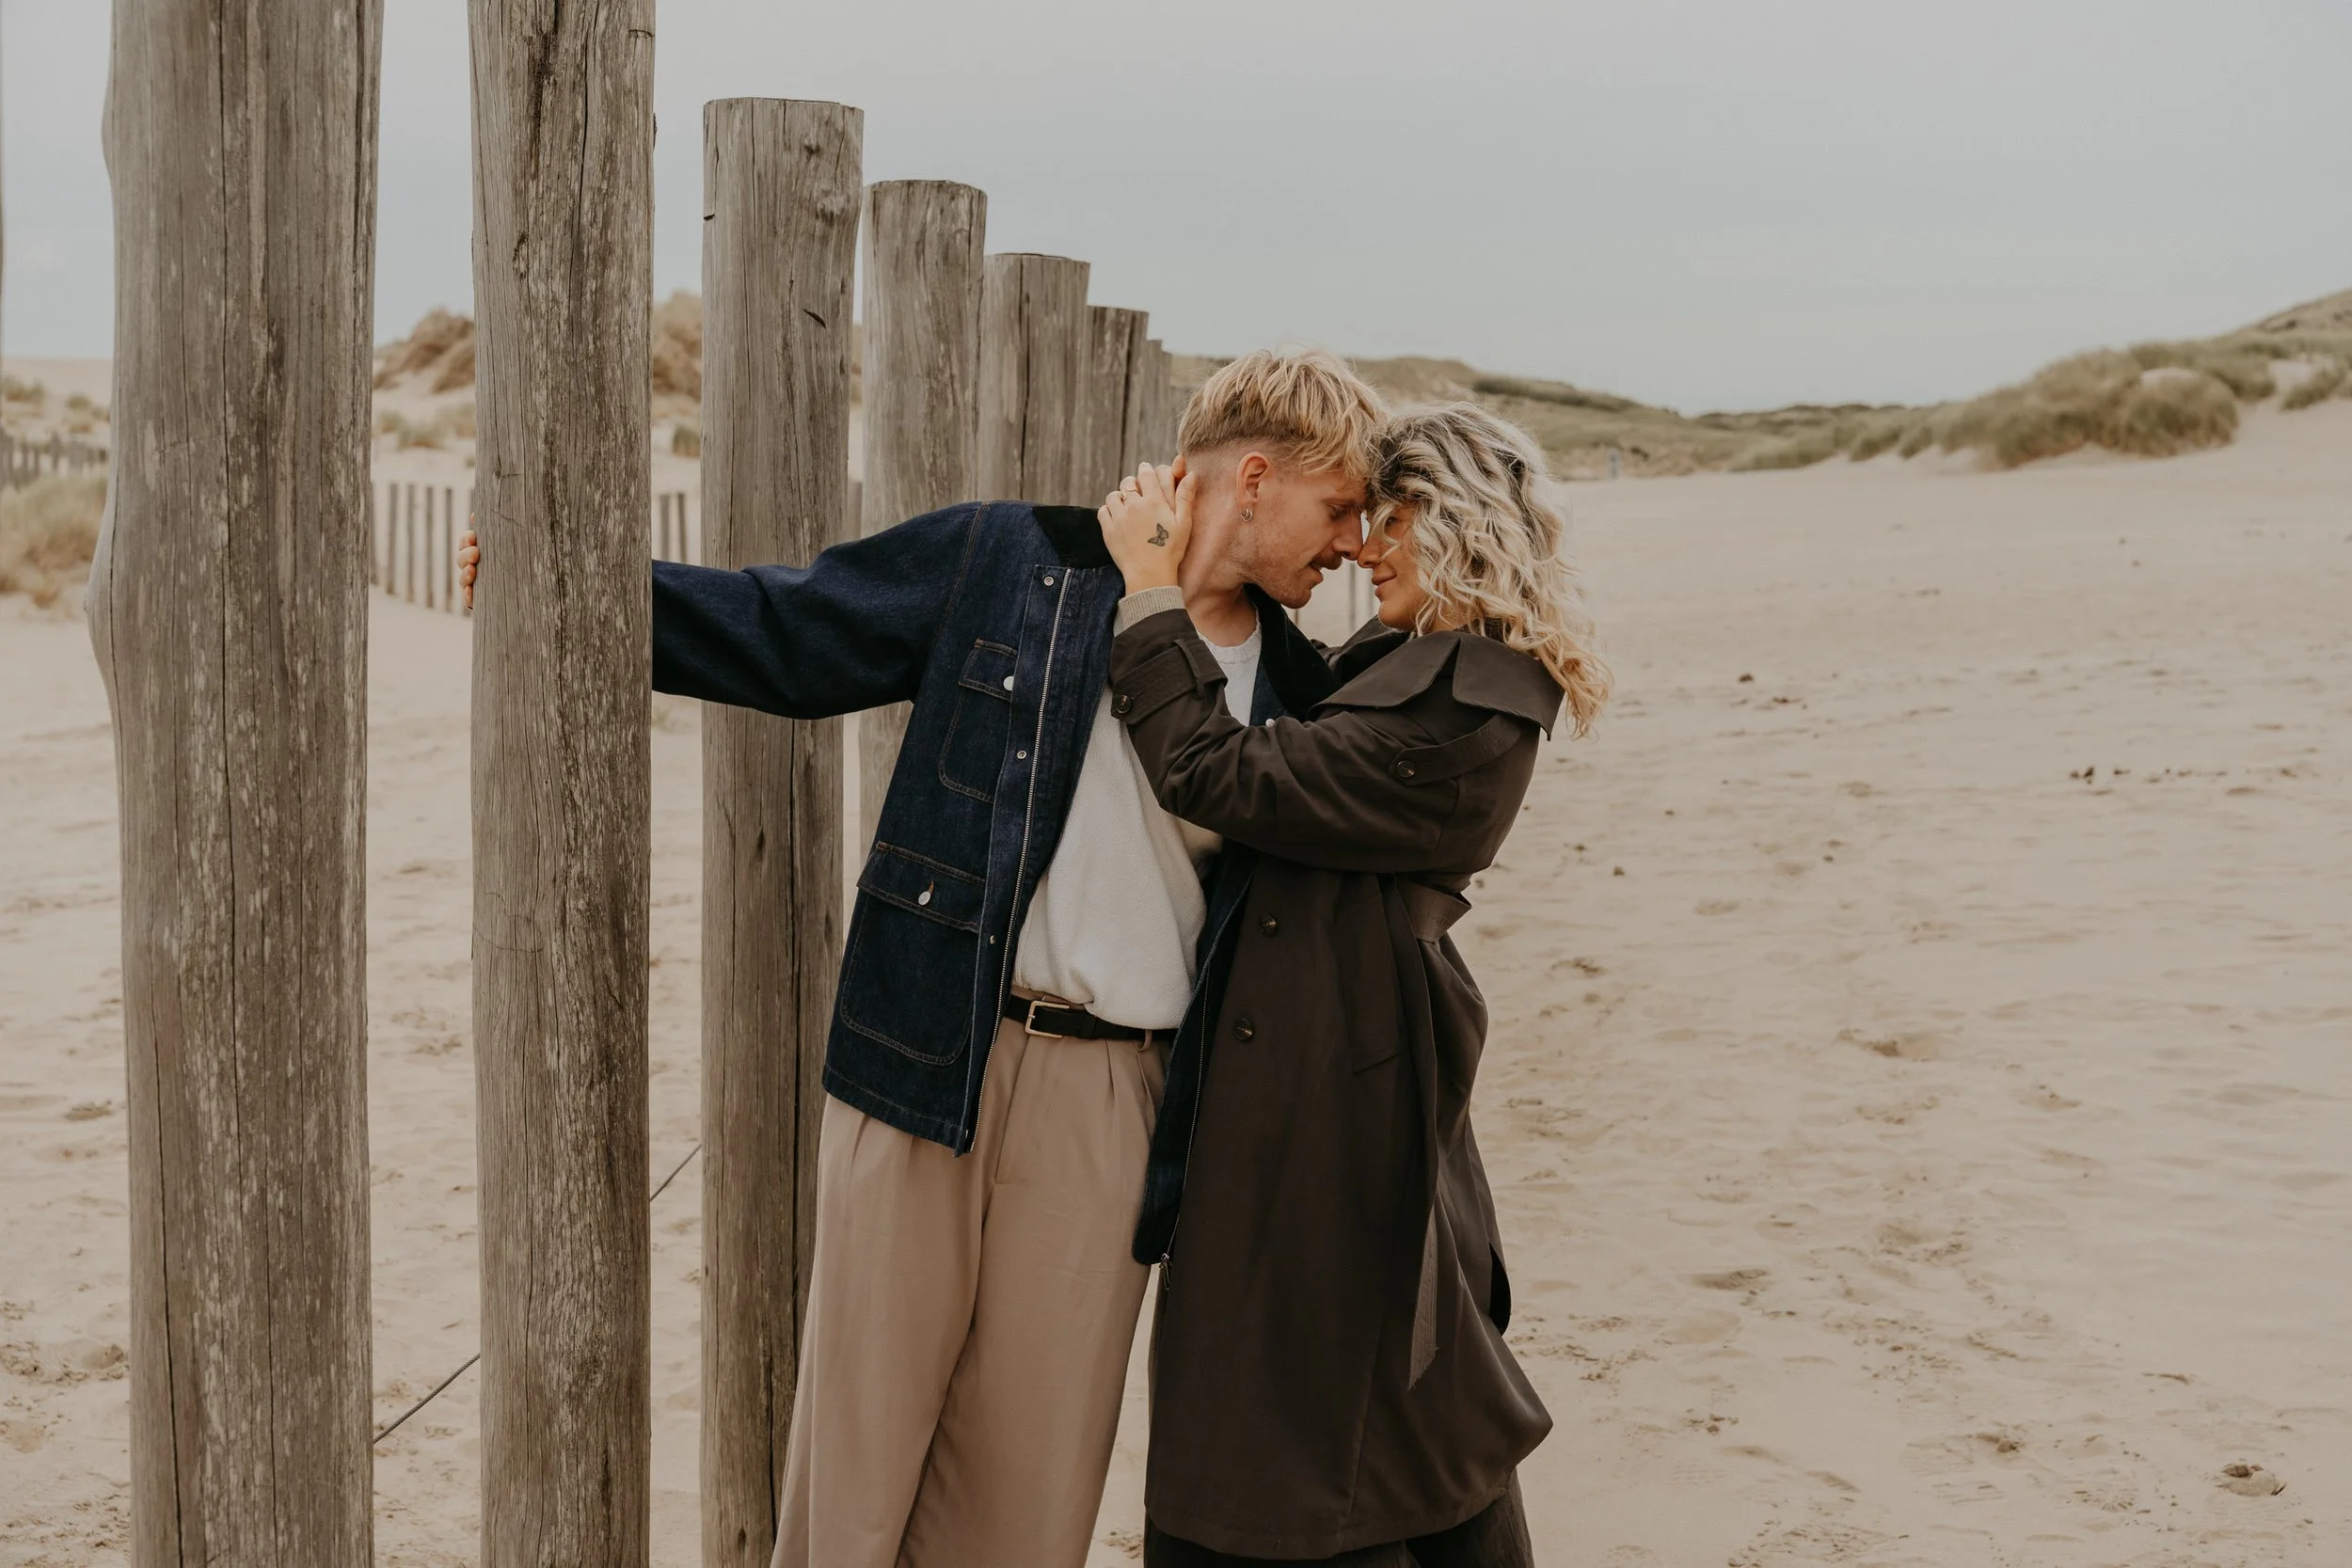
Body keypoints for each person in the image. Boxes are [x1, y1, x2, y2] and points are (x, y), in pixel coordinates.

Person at [457, 349, 1387, 1568]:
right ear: (1255, 478)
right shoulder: (1008, 557)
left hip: (1117, 1102)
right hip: (926, 1048)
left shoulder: (1304, 694)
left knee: (1027, 1487)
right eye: (1340, 507)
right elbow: (793, 630)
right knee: (853, 1463)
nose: (1353, 545)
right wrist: (553, 581)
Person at [1092, 404, 1611, 1566]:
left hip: (1343, 1075)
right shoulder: (1410, 665)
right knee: (1351, 1387)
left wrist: (1150, 595)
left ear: (1459, 523)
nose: (1367, 548)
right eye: (1359, 518)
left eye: (1393, 519)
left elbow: (1214, 771)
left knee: (1356, 1388)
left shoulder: (1468, 708)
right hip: (1325, 1053)